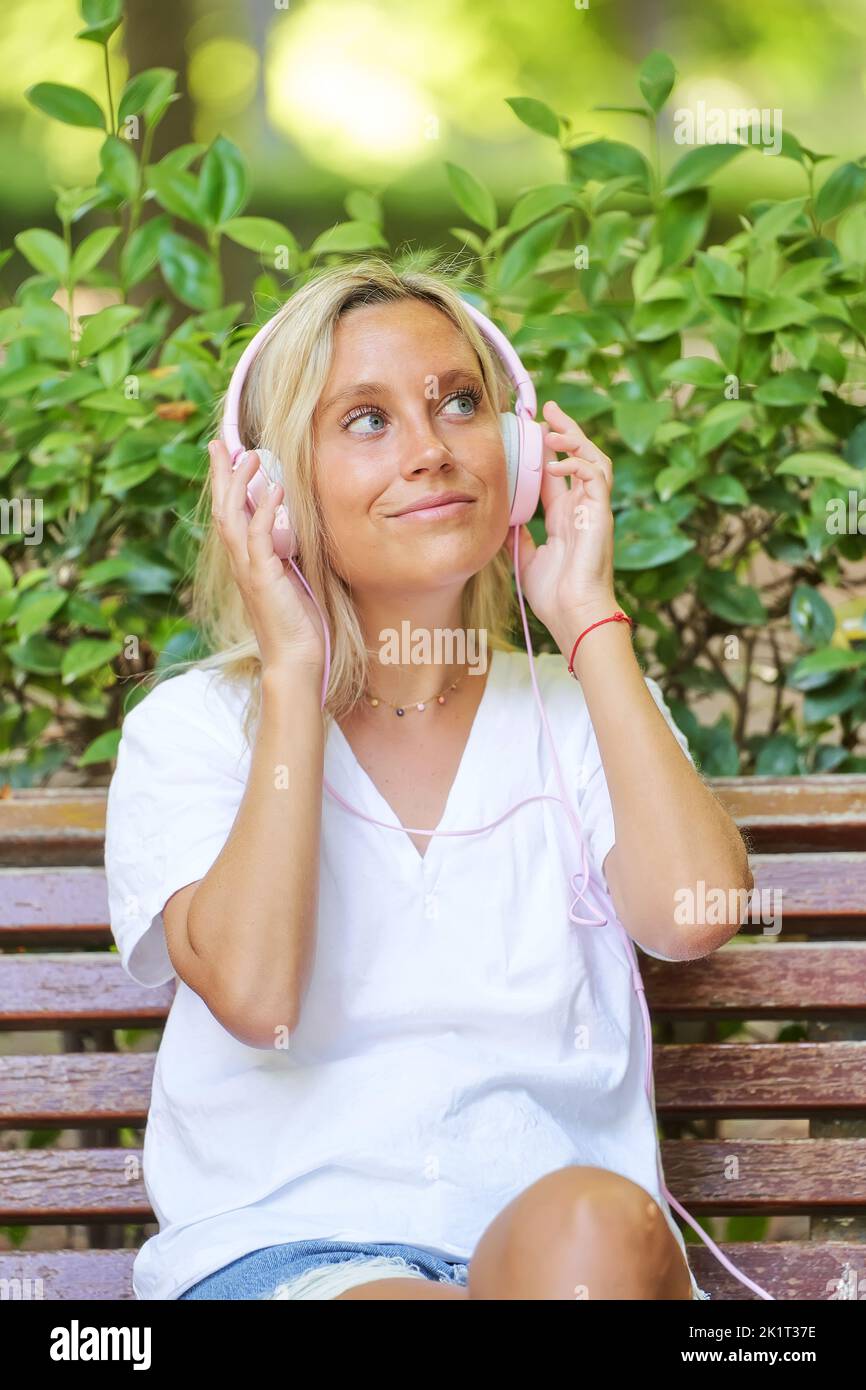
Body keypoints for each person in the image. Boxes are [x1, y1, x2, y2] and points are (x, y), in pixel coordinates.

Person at [104, 258, 752, 1301]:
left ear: (517, 456)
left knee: (593, 1224)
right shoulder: (195, 730)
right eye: (365, 419)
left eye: (458, 403)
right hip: (288, 1258)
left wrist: (589, 622)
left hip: (555, 1263)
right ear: (270, 490)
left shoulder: (579, 705)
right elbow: (258, 995)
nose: (430, 449)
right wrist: (292, 672)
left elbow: (692, 916)